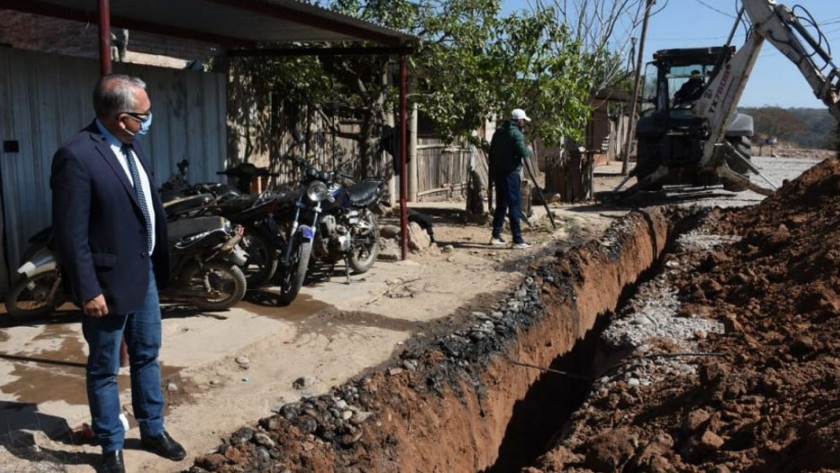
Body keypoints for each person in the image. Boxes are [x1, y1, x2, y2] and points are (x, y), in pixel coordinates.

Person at [50, 74, 184, 473]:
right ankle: (111, 444)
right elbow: (70, 234)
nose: (149, 120)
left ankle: (152, 428)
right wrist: (88, 289)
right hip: (105, 286)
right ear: (121, 117)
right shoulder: (76, 155)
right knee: (105, 367)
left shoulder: (132, 144)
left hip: (144, 276)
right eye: (144, 115)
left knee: (147, 355)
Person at [488, 108, 532, 249]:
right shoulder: (516, 134)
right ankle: (517, 240)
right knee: (515, 205)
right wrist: (528, 149)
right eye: (523, 120)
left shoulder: (498, 132)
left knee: (501, 204)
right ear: (519, 121)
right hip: (511, 174)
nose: (524, 123)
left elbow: (491, 153)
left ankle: (495, 236)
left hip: (498, 173)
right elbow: (523, 152)